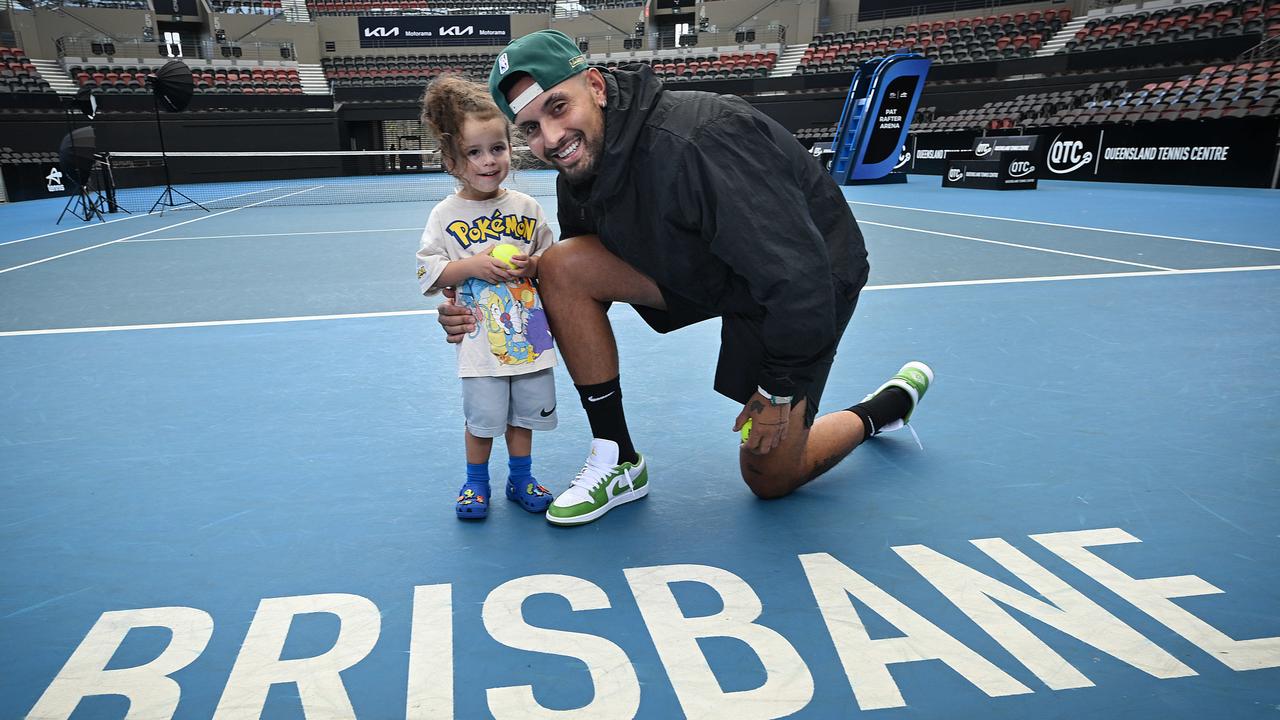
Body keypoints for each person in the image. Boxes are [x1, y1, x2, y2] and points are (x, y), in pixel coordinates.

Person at [437, 30, 933, 525]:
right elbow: (571, 281)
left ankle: (882, 408)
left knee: (770, 478)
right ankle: (618, 458)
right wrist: (479, 313)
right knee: (561, 264)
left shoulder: (703, 138)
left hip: (807, 275)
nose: (549, 139)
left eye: (558, 107)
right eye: (529, 128)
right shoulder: (582, 168)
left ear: (597, 86)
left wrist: (780, 388)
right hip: (704, 262)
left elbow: (797, 274)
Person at [416, 75, 558, 520]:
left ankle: (521, 478)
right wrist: (472, 267)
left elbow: (552, 261)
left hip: (531, 340)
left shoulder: (527, 208)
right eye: (473, 152)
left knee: (523, 418)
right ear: (452, 160)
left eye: (497, 148)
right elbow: (430, 270)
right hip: (480, 344)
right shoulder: (445, 214)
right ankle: (476, 483)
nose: (488, 161)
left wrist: (532, 266)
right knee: (482, 421)